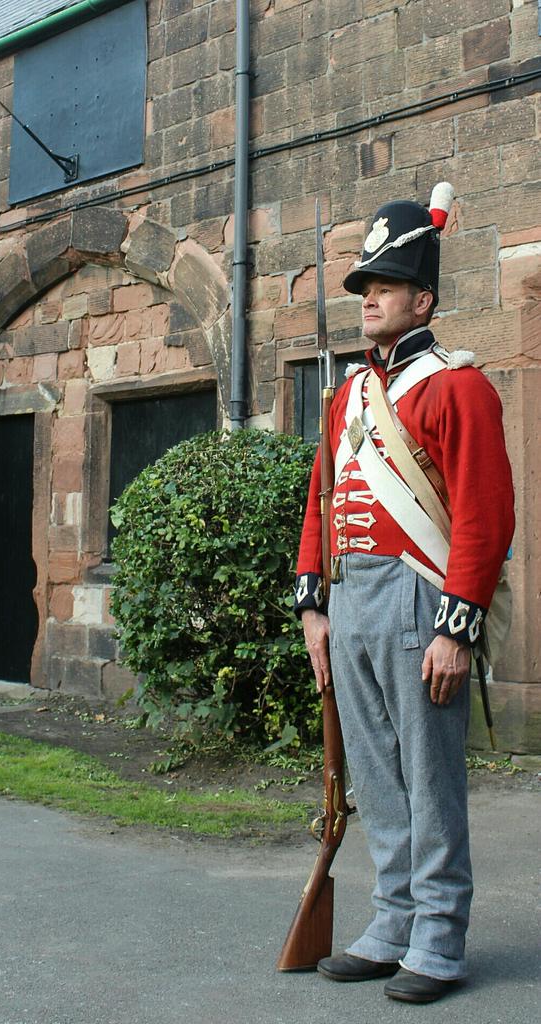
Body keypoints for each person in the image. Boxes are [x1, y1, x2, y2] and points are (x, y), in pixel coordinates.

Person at [293, 186, 515, 1004]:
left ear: (420, 297)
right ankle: (389, 921)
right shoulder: (348, 396)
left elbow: (486, 517)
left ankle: (438, 936)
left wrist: (456, 627)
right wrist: (313, 605)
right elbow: (322, 498)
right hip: (350, 601)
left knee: (428, 778)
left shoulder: (455, 388)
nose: (367, 300)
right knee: (377, 776)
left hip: (421, 600)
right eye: (362, 287)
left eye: (382, 286)